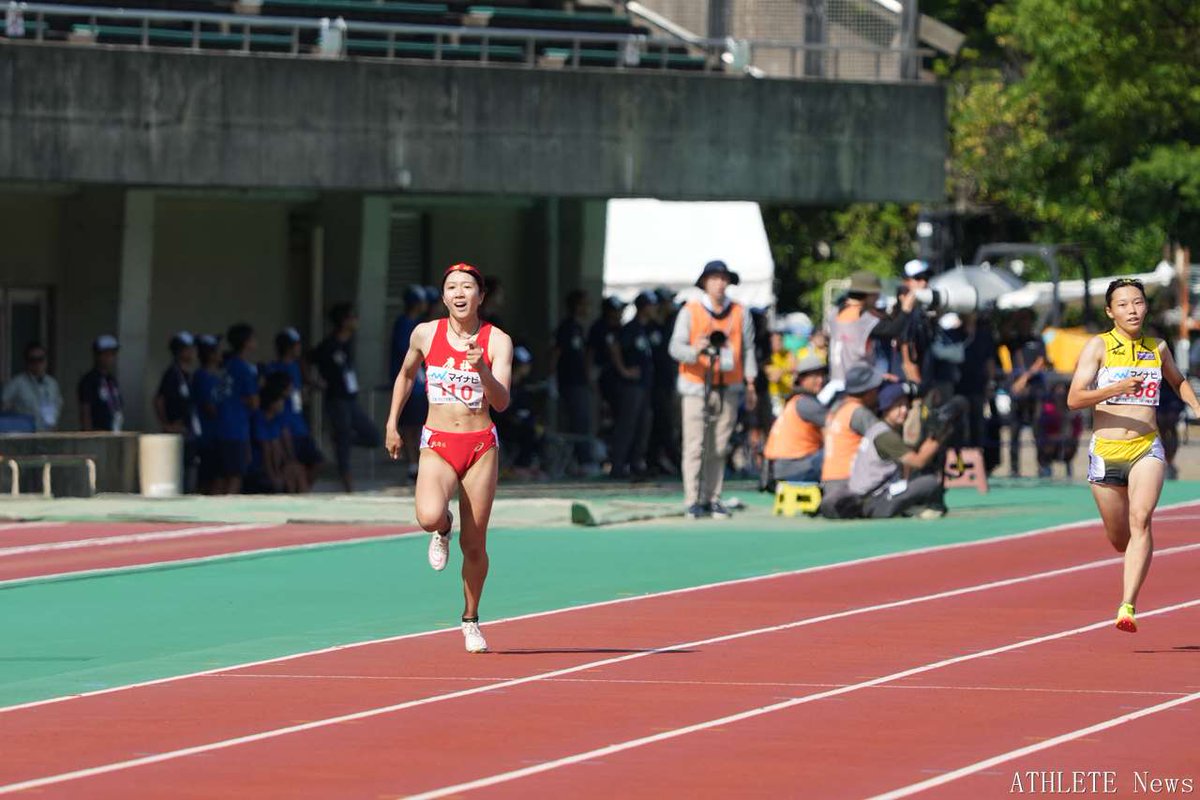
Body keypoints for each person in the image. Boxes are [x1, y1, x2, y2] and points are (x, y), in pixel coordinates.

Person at [386, 263, 514, 653]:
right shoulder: (425, 334)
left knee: (474, 546)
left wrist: (482, 370)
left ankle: (471, 619)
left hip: (480, 446)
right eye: (452, 287)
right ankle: (444, 527)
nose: (460, 293)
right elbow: (407, 375)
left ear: (480, 296)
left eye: (468, 287)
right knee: (427, 516)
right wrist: (392, 422)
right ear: (443, 297)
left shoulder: (497, 341)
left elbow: (502, 402)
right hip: (438, 442)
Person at [1066, 278, 1200, 633]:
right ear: (1111, 312)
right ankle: (1132, 559)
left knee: (1141, 519)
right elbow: (1074, 398)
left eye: (1138, 303)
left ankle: (1127, 605)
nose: (1133, 310)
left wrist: (1196, 405)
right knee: (1119, 539)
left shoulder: (1157, 347)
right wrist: (1114, 388)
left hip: (1145, 447)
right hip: (1106, 451)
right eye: (1124, 304)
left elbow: (1177, 380)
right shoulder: (1098, 346)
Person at [668, 260, 758, 519]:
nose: (719, 283)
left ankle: (713, 496)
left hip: (728, 385)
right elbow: (675, 348)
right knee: (695, 445)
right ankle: (692, 498)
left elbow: (748, 348)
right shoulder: (691, 311)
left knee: (720, 445)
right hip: (696, 385)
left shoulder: (740, 312)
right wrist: (695, 350)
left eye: (723, 278)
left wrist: (751, 383)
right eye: (714, 278)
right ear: (705, 282)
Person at [848, 381, 947, 519]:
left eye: (907, 406)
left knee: (915, 479)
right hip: (875, 501)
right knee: (929, 482)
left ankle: (910, 506)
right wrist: (939, 438)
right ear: (886, 408)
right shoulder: (885, 435)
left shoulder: (878, 429)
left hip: (867, 498)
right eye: (898, 406)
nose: (904, 410)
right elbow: (918, 461)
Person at [314, 303, 382, 492]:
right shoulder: (329, 345)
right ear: (344, 321)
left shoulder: (349, 342)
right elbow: (308, 358)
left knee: (373, 436)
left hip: (351, 398)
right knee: (343, 438)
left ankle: (339, 440)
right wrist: (314, 382)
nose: (356, 321)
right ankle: (347, 481)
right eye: (352, 317)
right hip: (336, 399)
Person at [818, 365, 885, 518]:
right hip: (849, 481)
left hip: (829, 481)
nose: (877, 392)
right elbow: (885, 441)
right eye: (875, 388)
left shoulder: (836, 409)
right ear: (866, 391)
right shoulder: (858, 412)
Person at [265, 327, 323, 487]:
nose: (299, 348)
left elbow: (298, 395)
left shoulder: (296, 367)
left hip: (300, 426)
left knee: (316, 462)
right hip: (284, 427)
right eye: (296, 344)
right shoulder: (274, 368)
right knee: (291, 466)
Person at [608, 290, 656, 480]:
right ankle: (618, 465)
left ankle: (636, 464)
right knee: (627, 425)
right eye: (651, 306)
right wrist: (623, 370)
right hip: (631, 386)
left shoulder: (646, 329)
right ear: (644, 307)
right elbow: (615, 347)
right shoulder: (630, 328)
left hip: (644, 386)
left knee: (643, 425)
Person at [762, 353, 827, 486]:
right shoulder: (806, 403)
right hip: (794, 466)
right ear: (802, 379)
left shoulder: (794, 400)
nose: (820, 380)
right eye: (814, 376)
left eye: (821, 376)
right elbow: (838, 427)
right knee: (839, 453)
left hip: (779, 467)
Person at [549, 289, 595, 474]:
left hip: (580, 382)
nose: (588, 308)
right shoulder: (566, 327)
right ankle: (582, 462)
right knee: (577, 421)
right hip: (569, 382)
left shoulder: (579, 328)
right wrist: (552, 377)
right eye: (584, 304)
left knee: (583, 420)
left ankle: (580, 460)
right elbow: (555, 353)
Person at [391, 287, 430, 480]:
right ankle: (413, 464)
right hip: (411, 382)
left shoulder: (416, 324)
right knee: (410, 426)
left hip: (420, 383)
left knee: (420, 425)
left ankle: (420, 463)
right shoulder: (405, 324)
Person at [216, 324, 260, 495]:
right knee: (235, 475)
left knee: (220, 476)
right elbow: (254, 402)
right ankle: (225, 513)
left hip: (221, 425)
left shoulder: (226, 366)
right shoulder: (243, 367)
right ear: (246, 342)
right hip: (236, 428)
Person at [154, 332, 199, 489]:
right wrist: (166, 425)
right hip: (178, 433)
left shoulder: (188, 375)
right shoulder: (172, 374)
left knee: (190, 475)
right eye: (189, 348)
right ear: (180, 351)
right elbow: (159, 400)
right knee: (178, 477)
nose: (193, 352)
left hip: (190, 432)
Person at [3, 342, 62, 431]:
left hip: (49, 433)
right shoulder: (16, 384)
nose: (37, 363)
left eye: (40, 359)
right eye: (32, 360)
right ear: (27, 362)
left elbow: (56, 406)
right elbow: (4, 407)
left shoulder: (52, 384)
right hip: (25, 435)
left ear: (46, 361)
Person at [191, 334, 224, 494]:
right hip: (206, 436)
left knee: (217, 477)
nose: (220, 354)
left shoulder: (216, 377)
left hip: (217, 435)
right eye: (216, 351)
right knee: (208, 479)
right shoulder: (201, 376)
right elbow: (209, 407)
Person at [78, 335, 123, 432]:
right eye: (105, 354)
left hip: (113, 430)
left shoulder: (111, 380)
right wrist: (88, 435)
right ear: (97, 355)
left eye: (112, 354)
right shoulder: (89, 380)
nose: (109, 358)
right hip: (97, 432)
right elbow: (85, 410)